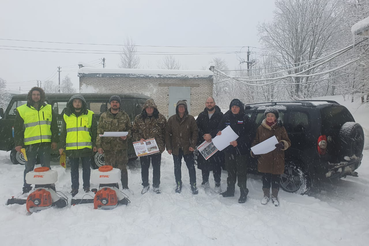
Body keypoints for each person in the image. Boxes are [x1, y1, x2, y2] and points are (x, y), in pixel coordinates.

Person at [14, 87, 59, 194]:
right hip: (30, 145)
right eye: (34, 94)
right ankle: (26, 187)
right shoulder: (22, 110)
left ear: (41, 96)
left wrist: (54, 140)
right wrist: (18, 144)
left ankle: (48, 186)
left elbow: (54, 126)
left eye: (38, 94)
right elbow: (18, 129)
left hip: (45, 144)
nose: (36, 96)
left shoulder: (48, 108)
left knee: (46, 167)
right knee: (29, 167)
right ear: (30, 96)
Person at [251, 107, 291, 206]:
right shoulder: (260, 128)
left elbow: (288, 141)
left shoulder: (281, 128)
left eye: (272, 116)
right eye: (268, 116)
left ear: (275, 117)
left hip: (277, 158)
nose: (269, 117)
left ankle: (274, 196)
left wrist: (282, 144)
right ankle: (266, 195)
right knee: (266, 178)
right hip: (264, 159)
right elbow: (256, 141)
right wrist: (254, 150)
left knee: (276, 178)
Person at [59, 94, 97, 197]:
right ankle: (74, 187)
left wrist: (94, 144)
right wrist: (61, 146)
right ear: (72, 103)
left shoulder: (90, 114)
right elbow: (63, 132)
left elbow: (94, 131)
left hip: (86, 147)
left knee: (86, 169)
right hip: (71, 148)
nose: (77, 103)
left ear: (83, 103)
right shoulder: (66, 115)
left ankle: (86, 186)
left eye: (79, 102)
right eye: (75, 101)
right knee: (74, 169)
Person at [217, 99, 251, 203]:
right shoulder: (226, 117)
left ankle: (243, 192)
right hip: (229, 150)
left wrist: (239, 142)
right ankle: (230, 190)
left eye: (236, 106)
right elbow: (220, 128)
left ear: (240, 107)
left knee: (241, 172)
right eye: (232, 106)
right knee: (230, 171)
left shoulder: (245, 118)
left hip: (241, 150)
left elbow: (250, 135)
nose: (234, 108)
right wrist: (218, 132)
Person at [96, 95, 131, 190]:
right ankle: (112, 186)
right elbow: (99, 131)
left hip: (121, 148)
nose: (114, 104)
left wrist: (127, 136)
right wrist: (99, 146)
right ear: (110, 104)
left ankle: (125, 187)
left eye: (116, 102)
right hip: (108, 148)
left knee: (122, 169)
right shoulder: (104, 116)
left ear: (119, 104)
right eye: (113, 102)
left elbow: (130, 129)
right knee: (109, 169)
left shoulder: (124, 116)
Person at [131, 99, 167, 194]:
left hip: (156, 147)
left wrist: (163, 146)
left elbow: (166, 133)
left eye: (151, 107)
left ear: (154, 108)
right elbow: (134, 131)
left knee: (156, 167)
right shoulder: (139, 118)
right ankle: (145, 185)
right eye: (148, 108)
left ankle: (156, 185)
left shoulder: (161, 118)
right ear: (145, 108)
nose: (150, 109)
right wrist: (139, 138)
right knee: (144, 167)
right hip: (144, 148)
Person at [166, 100, 198, 194]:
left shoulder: (191, 119)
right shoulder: (172, 119)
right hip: (176, 148)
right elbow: (167, 134)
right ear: (177, 108)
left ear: (185, 108)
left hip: (188, 148)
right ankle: (178, 183)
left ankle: (193, 184)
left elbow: (195, 133)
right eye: (180, 106)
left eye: (183, 107)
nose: (181, 108)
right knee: (177, 167)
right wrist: (169, 147)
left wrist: (193, 145)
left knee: (191, 167)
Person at [196, 96, 224, 192]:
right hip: (204, 143)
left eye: (211, 102)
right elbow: (197, 128)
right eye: (207, 102)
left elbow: (222, 128)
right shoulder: (201, 115)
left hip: (216, 144)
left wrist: (211, 135)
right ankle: (205, 182)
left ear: (214, 103)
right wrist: (204, 135)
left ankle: (217, 183)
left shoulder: (220, 115)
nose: (209, 104)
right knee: (204, 164)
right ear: (205, 104)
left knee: (216, 165)